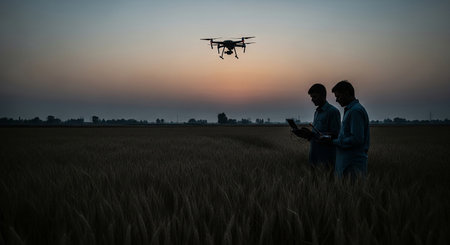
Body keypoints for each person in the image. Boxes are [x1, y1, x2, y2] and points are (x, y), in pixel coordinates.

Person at [326, 80, 370, 179]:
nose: (336, 100)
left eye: (338, 96)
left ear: (347, 93)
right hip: (347, 164)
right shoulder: (351, 110)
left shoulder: (355, 111)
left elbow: (357, 139)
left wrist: (333, 141)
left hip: (352, 165)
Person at [293, 83, 341, 168]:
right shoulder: (317, 112)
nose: (312, 100)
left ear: (323, 96)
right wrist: (306, 134)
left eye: (314, 97)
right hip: (314, 156)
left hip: (327, 158)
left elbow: (336, 135)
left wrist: (313, 134)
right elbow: (317, 133)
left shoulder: (333, 112)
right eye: (311, 97)